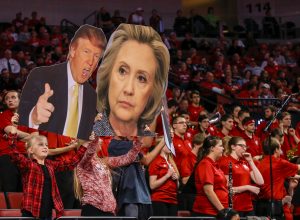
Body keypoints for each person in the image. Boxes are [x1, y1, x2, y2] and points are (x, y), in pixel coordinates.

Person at [18, 24, 107, 140]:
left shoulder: (92, 96)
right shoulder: (41, 75)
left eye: (96, 56)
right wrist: (33, 117)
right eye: (86, 51)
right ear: (73, 50)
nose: (91, 61)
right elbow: (18, 121)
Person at [93, 23, 170, 136]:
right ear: (107, 75)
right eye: (122, 71)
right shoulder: (87, 138)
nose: (129, 89)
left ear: (153, 91)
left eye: (141, 78)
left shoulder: (150, 139)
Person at [8, 126, 90, 219]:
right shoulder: (28, 164)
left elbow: (71, 163)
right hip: (31, 213)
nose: (45, 147)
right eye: (40, 144)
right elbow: (13, 153)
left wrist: (85, 144)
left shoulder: (50, 165)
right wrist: (13, 133)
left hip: (47, 214)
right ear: (30, 150)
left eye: (46, 145)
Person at [74, 137, 143, 216]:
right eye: (98, 138)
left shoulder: (103, 161)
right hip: (93, 208)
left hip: (109, 210)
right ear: (88, 142)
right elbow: (89, 153)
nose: (101, 140)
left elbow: (127, 159)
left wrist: (139, 141)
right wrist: (94, 139)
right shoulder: (83, 162)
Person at [218, 136, 264, 217]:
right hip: (234, 207)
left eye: (245, 146)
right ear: (233, 147)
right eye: (241, 146)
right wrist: (247, 187)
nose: (244, 149)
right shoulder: (225, 162)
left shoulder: (244, 163)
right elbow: (227, 189)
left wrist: (250, 161)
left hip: (248, 206)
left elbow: (260, 181)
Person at [256, 138, 300, 219]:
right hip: (274, 206)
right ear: (276, 150)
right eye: (280, 147)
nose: (281, 149)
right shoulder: (279, 163)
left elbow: (286, 174)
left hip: (261, 204)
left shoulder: (260, 163)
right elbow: (298, 167)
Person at [192, 136, 228, 217]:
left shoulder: (214, 165)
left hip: (216, 211)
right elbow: (208, 191)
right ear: (212, 148)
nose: (223, 148)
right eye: (220, 146)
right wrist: (223, 211)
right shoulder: (206, 164)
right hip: (207, 212)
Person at [148, 136, 180, 216]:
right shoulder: (155, 161)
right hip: (160, 199)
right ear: (161, 146)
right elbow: (152, 185)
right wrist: (167, 175)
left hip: (173, 200)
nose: (171, 146)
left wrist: (176, 180)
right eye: (168, 144)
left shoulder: (171, 162)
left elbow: (177, 186)